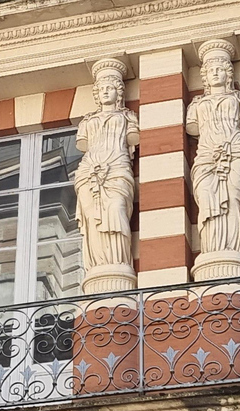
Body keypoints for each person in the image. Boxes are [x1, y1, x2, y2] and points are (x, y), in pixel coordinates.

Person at [187, 40, 240, 257]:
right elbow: (192, 126)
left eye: (220, 69)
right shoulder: (196, 105)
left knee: (234, 200)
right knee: (207, 199)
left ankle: (232, 250)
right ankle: (213, 249)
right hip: (206, 155)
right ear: (204, 76)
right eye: (210, 70)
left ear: (228, 74)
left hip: (235, 150)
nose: (215, 73)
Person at [74, 59, 139, 273]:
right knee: (92, 218)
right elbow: (83, 143)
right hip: (88, 172)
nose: (105, 92)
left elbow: (133, 139)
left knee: (117, 209)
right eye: (101, 89)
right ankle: (99, 267)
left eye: (110, 88)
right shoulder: (87, 121)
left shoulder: (128, 117)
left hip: (117, 169)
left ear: (119, 93)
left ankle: (117, 264)